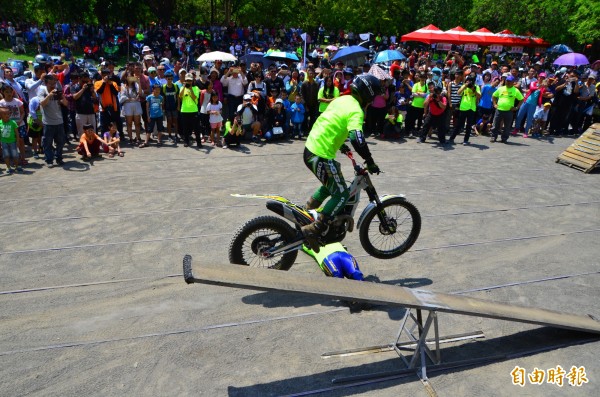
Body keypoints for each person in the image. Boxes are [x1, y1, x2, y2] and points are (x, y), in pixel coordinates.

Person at [302, 74, 381, 252]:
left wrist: (341, 145)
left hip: (311, 148)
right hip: (321, 154)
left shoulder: (342, 99)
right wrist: (370, 161)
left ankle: (306, 211)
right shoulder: (356, 111)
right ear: (368, 94)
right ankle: (315, 229)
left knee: (332, 181)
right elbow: (357, 138)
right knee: (342, 195)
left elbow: (331, 123)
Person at [39, 74, 69, 167]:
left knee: (61, 141)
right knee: (47, 142)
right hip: (48, 122)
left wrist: (62, 96)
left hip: (59, 121)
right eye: (51, 83)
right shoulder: (42, 91)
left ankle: (59, 158)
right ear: (46, 83)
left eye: (54, 83)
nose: (53, 85)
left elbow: (66, 103)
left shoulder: (57, 91)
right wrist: (49, 95)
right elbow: (42, 104)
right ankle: (49, 160)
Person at [490, 75, 524, 143]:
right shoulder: (501, 88)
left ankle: (504, 138)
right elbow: (494, 95)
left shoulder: (515, 90)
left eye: (509, 81)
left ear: (513, 82)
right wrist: (494, 104)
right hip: (499, 109)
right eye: (507, 81)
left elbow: (521, 99)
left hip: (509, 111)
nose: (507, 82)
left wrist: (517, 107)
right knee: (495, 124)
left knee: (507, 126)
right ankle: (493, 137)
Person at [0, 84, 26, 166]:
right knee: (9, 142)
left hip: (19, 124)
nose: (9, 93)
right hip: (7, 126)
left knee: (21, 142)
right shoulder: (1, 103)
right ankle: (12, 160)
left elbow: (22, 112)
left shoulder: (17, 101)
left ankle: (23, 158)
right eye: (6, 92)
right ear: (2, 92)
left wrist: (20, 120)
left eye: (10, 91)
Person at [179, 73, 201, 147]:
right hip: (184, 110)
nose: (189, 82)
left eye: (190, 81)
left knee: (196, 128)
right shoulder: (183, 88)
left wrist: (191, 89)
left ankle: (199, 142)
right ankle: (186, 141)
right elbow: (180, 96)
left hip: (193, 110)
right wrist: (184, 87)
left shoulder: (196, 88)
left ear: (192, 81)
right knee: (185, 128)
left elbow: (195, 98)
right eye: (187, 80)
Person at [0, 108, 21, 173]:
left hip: (12, 142)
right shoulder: (0, 123)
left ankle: (17, 166)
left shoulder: (13, 122)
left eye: (8, 114)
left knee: (15, 155)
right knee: (6, 155)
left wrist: (17, 141)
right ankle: (8, 167)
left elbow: (17, 133)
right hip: (4, 142)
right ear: (0, 115)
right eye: (4, 114)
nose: (7, 115)